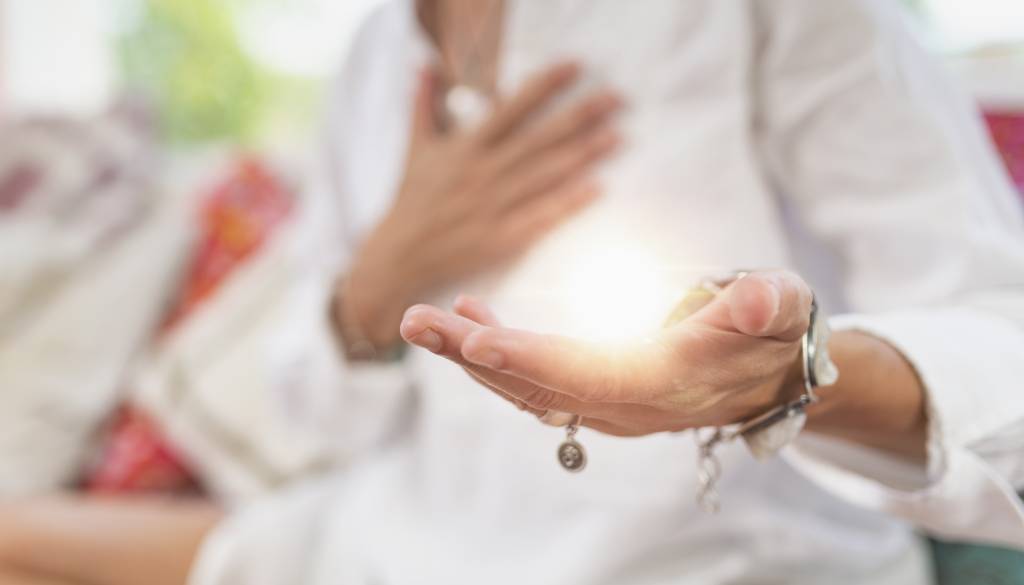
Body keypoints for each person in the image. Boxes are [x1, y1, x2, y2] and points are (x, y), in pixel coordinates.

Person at [3, 1, 1024, 584]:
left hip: (704, 562)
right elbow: (311, 417)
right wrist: (381, 280)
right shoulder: (378, 59)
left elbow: (1002, 350)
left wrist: (785, 379)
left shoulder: (775, 17)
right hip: (384, 540)